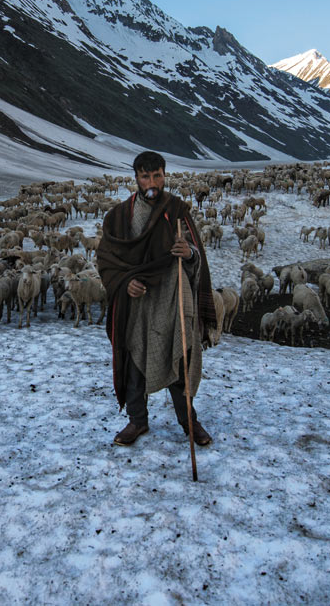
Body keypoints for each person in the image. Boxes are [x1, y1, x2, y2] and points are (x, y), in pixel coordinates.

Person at [95, 151, 218, 447]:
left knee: (179, 354)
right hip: (137, 300)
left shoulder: (177, 211)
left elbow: (196, 254)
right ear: (136, 178)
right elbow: (107, 261)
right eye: (146, 176)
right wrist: (126, 283)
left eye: (158, 175)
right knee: (135, 357)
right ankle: (137, 421)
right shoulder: (119, 216)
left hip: (173, 294)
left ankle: (189, 421)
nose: (153, 182)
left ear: (165, 175)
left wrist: (188, 254)